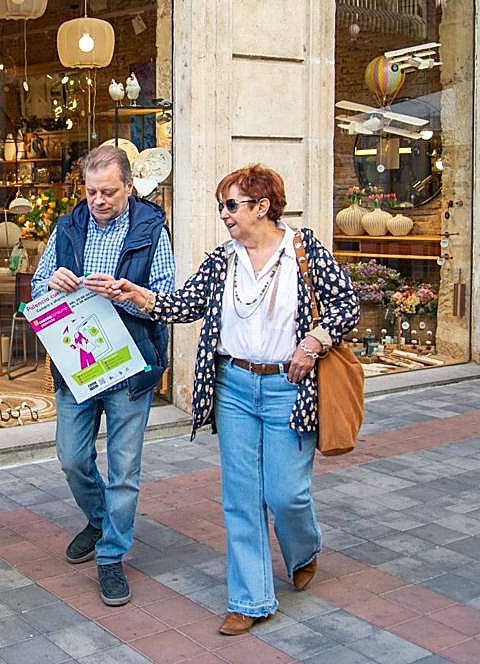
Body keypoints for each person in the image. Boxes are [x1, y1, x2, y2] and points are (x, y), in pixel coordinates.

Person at [99, 164, 359, 635]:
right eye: (222, 205)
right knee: (241, 497)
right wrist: (137, 295)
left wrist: (313, 343)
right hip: (234, 387)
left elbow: (347, 305)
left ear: (262, 207)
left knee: (286, 494)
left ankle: (304, 548)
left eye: (231, 205)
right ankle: (251, 598)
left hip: (290, 388)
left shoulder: (304, 251)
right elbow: (185, 305)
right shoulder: (224, 260)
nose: (224, 214)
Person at [30, 144, 175, 607]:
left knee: (124, 468)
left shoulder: (151, 229)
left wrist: (128, 292)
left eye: (108, 192)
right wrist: (53, 283)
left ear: (129, 186)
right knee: (71, 456)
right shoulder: (69, 226)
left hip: (130, 363)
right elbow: (37, 286)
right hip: (78, 363)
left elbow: (167, 297)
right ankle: (99, 518)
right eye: (91, 191)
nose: (98, 200)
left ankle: (111, 556)